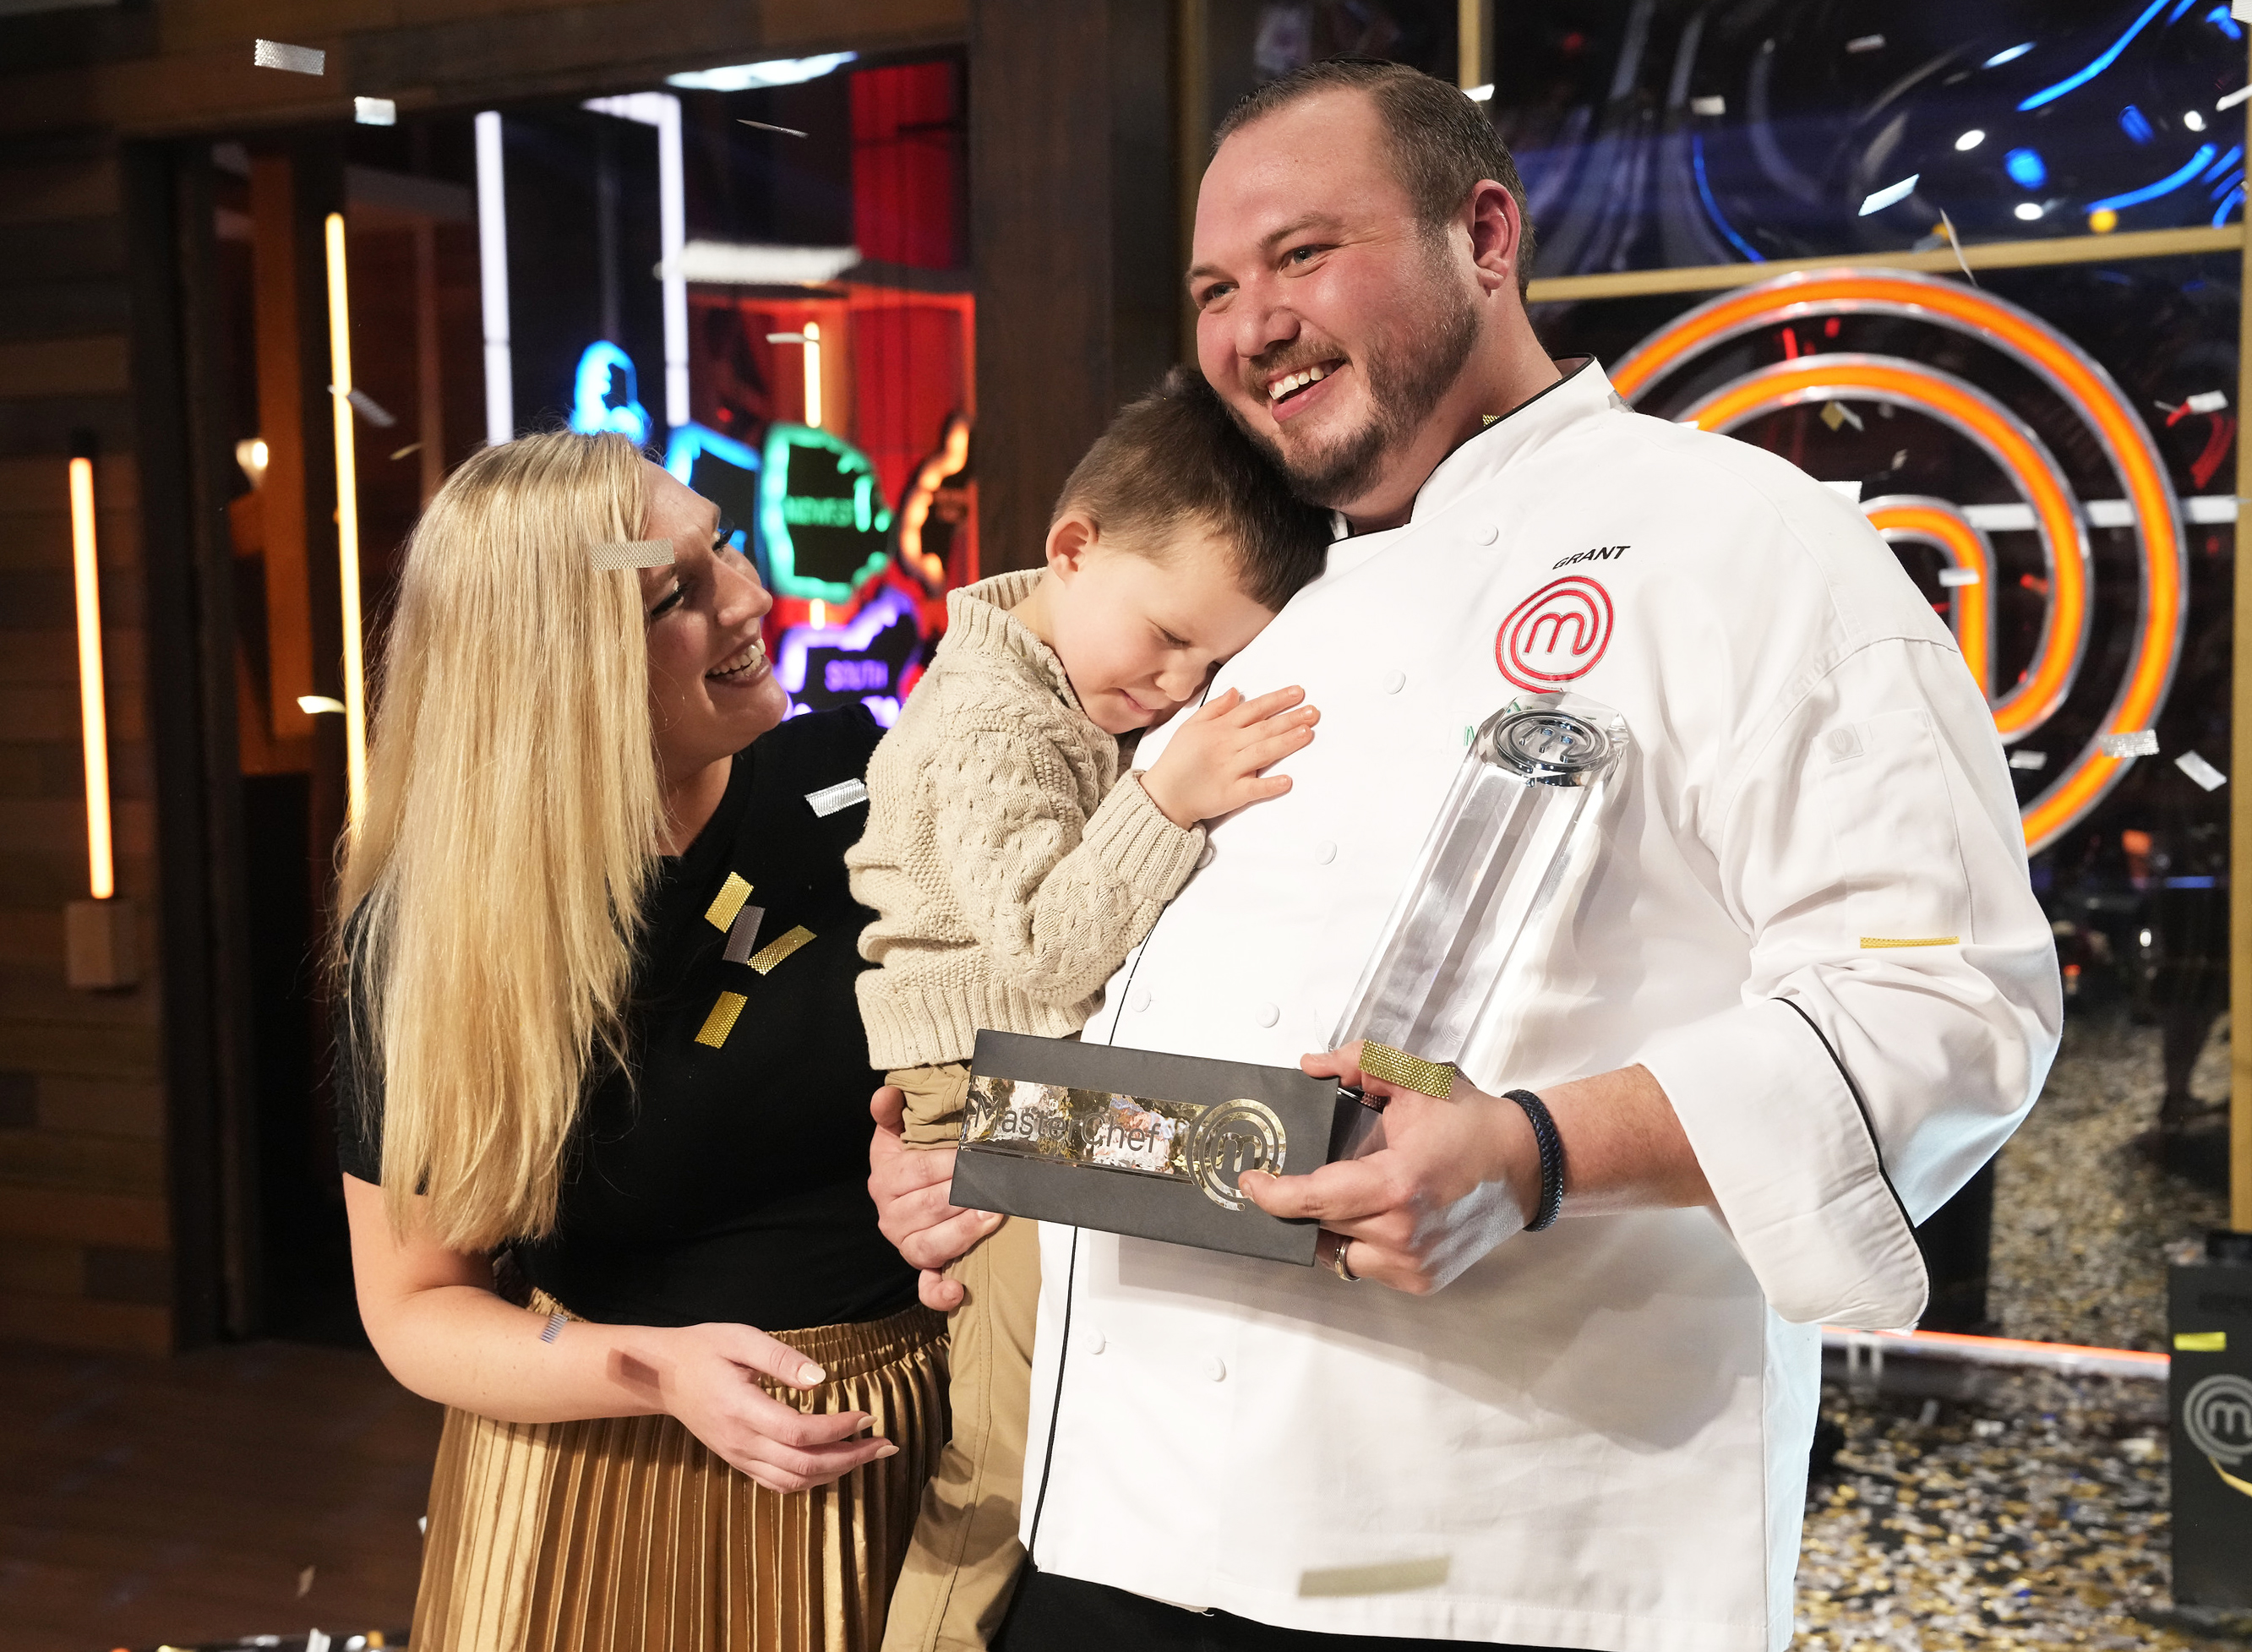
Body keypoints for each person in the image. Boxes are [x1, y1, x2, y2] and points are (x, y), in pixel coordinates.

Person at [870, 58, 2060, 1652]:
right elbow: (1206, 1060)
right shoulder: (1272, 624)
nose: (1249, 324)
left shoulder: (1744, 544)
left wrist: (1532, 1152)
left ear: (1482, 233)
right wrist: (991, 1148)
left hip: (1491, 1559)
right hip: (1115, 1531)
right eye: (1217, 286)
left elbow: (1949, 1005)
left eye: (1303, 255)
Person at [334, 430, 941, 1652]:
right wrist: (647, 1369)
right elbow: (416, 1308)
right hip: (594, 1478)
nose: (750, 599)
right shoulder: (437, 937)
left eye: (719, 548)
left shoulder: (859, 781)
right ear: (560, 670)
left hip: (893, 1446)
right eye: (678, 596)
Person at [853, 368, 1333, 1652]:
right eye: (1168, 636)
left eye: (1214, 661)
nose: (1180, 686)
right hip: (988, 1081)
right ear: (1073, 548)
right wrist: (1166, 799)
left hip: (1025, 1085)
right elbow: (1041, 951)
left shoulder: (1053, 694)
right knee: (1002, 1463)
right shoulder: (995, 720)